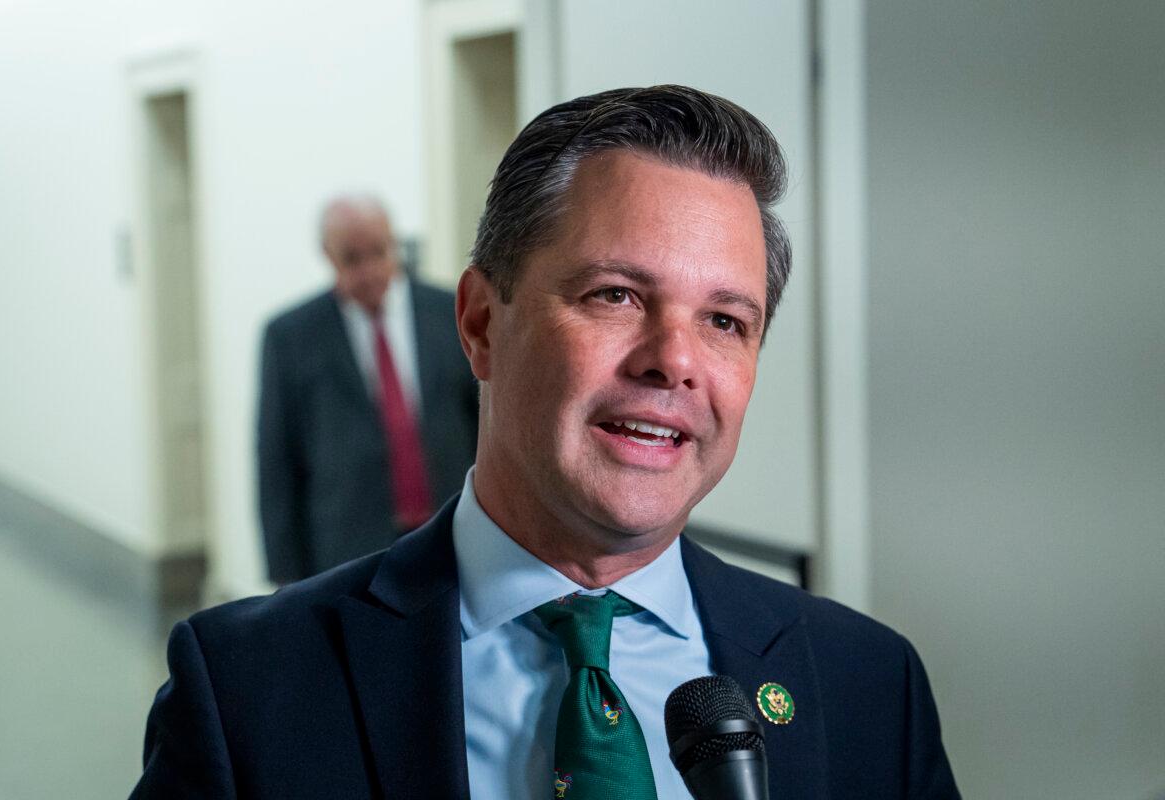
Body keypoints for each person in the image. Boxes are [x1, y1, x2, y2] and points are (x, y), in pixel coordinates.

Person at [132, 86, 959, 798]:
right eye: (616, 295)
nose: (673, 360)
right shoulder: (246, 690)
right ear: (480, 323)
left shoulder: (868, 685)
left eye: (724, 320)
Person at [256, 196, 477, 582]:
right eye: (352, 259)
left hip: (450, 529)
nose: (370, 270)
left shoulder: (448, 313)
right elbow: (276, 460)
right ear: (328, 255)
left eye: (379, 252)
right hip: (348, 546)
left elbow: (484, 421)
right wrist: (286, 576)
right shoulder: (291, 337)